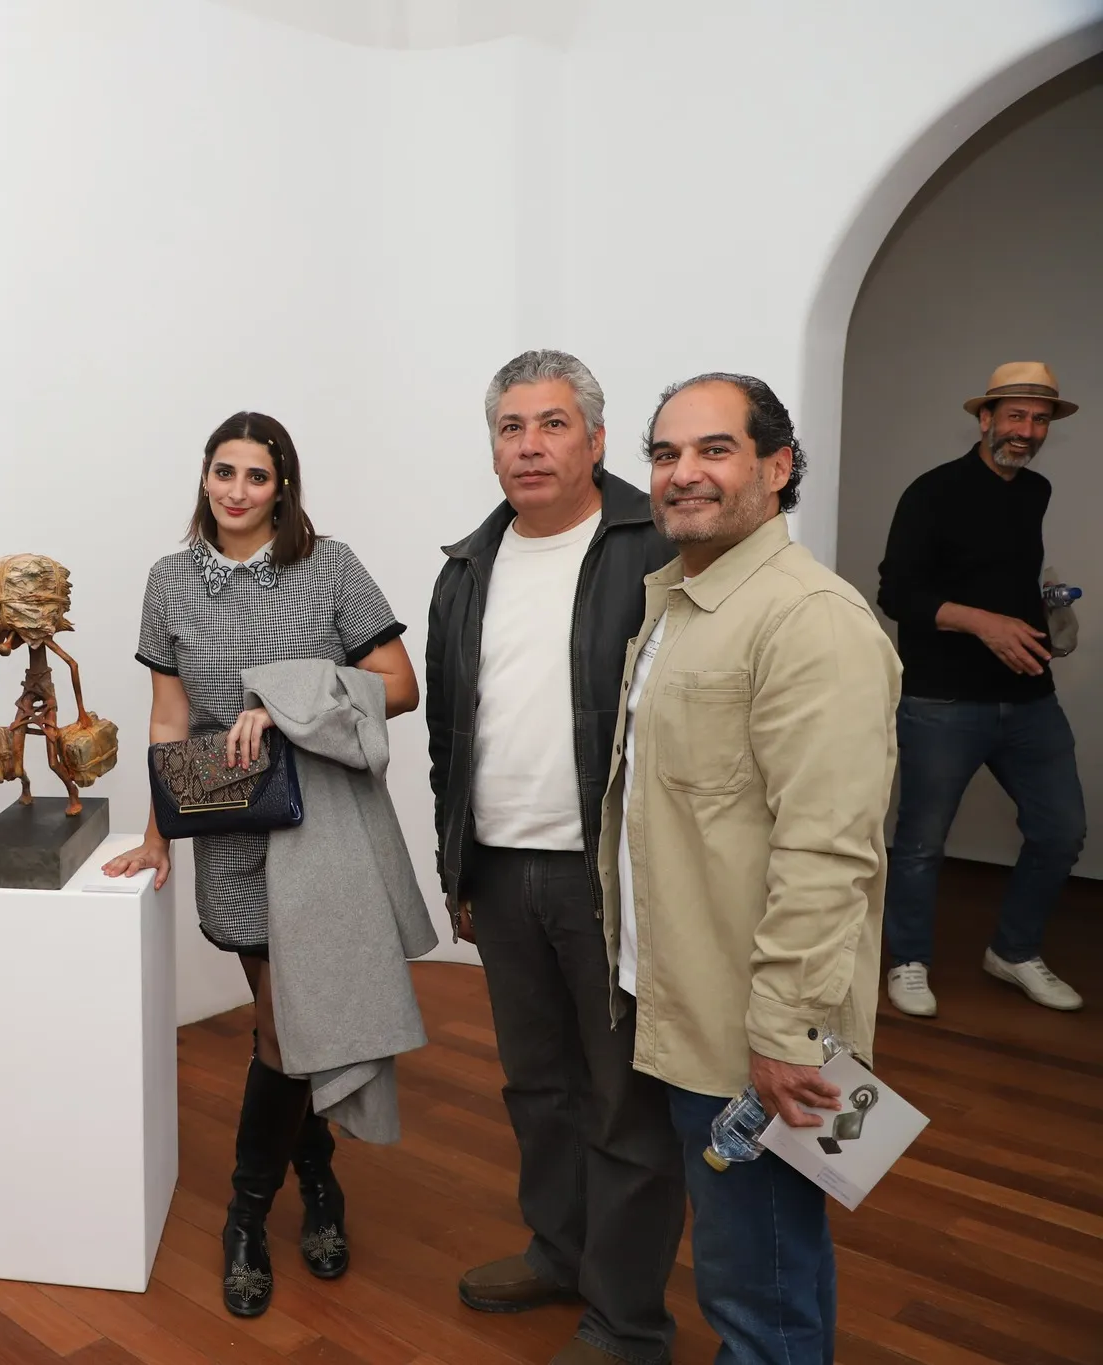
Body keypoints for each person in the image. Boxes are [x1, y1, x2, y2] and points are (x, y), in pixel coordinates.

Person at [601, 374, 899, 1364]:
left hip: (754, 1028)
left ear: (777, 468)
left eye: (713, 449)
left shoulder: (809, 619)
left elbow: (828, 850)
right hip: (681, 996)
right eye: (665, 453)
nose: (681, 473)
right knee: (753, 1264)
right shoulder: (681, 602)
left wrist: (785, 1033)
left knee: (758, 1289)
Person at [104, 412, 421, 1318]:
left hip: (318, 819)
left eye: (256, 475)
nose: (237, 490)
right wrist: (158, 832)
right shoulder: (168, 579)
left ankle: (246, 1215)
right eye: (223, 471)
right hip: (228, 821)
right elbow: (170, 716)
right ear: (204, 477)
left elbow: (400, 685)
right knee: (286, 1019)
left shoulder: (331, 566)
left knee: (283, 1027)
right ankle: (317, 1178)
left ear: (283, 486)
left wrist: (286, 701)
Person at [426, 351, 683, 1365]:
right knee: (536, 1086)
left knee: (623, 1104)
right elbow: (450, 731)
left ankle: (626, 1320)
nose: (529, 446)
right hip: (500, 872)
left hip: (611, 878)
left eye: (552, 424)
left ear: (596, 439)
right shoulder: (466, 567)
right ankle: (559, 1251)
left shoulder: (657, 546)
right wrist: (456, 868)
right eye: (510, 428)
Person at [876, 361, 1086, 1016]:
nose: (1028, 430)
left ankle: (1014, 951)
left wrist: (1045, 606)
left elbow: (1000, 573)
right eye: (1016, 415)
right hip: (941, 701)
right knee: (920, 844)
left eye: (1040, 419)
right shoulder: (931, 492)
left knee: (1061, 832)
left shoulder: (1035, 491)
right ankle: (909, 960)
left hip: (1029, 697)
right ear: (985, 418)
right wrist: (984, 622)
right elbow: (897, 593)